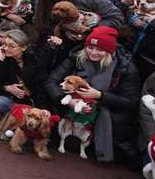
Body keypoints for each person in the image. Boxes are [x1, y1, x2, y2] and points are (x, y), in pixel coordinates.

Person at [44, 26, 141, 163]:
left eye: (100, 50)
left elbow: (131, 102)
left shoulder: (125, 67)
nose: (93, 52)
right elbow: (51, 82)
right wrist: (67, 100)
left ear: (110, 51)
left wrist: (100, 96)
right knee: (70, 143)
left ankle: (96, 141)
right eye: (90, 47)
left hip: (105, 112)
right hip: (71, 108)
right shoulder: (76, 57)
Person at [0, 29, 47, 117]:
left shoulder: (35, 61)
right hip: (12, 101)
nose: (6, 48)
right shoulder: (1, 58)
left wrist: (41, 108)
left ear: (23, 48)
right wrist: (7, 88)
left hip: (32, 102)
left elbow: (41, 86)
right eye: (4, 45)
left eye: (11, 46)